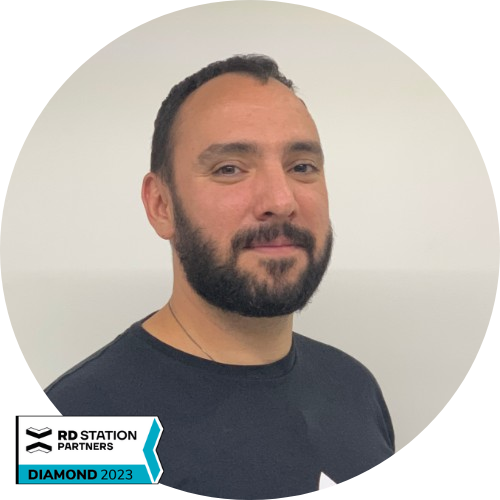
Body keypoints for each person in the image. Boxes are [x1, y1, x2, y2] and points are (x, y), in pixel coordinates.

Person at [45, 54, 395, 495]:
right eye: (229, 168)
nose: (281, 200)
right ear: (161, 206)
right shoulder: (77, 429)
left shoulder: (353, 387)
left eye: (301, 166)